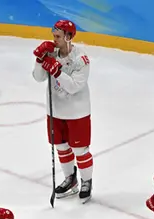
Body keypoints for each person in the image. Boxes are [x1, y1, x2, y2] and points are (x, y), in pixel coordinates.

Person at [32, 19, 94, 202]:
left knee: (80, 149)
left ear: (69, 36)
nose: (54, 39)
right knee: (61, 146)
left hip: (77, 112)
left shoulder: (81, 59)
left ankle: (86, 181)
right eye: (54, 35)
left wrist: (58, 72)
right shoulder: (52, 52)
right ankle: (70, 179)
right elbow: (38, 77)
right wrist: (39, 60)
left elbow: (75, 86)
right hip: (56, 111)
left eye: (58, 36)